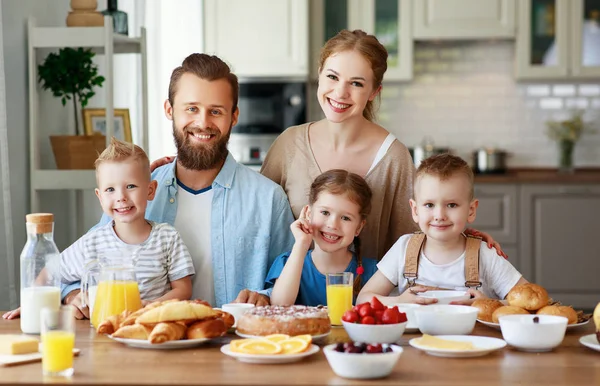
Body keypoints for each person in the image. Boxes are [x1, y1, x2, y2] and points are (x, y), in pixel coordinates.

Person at [60, 53, 296, 310]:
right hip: (149, 342)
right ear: (169, 110)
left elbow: (293, 280)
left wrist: (265, 296)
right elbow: (81, 263)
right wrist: (73, 295)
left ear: (234, 116)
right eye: (191, 108)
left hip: (235, 344)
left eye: (215, 111)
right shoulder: (134, 194)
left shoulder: (268, 199)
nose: (203, 122)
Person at [259, 29, 504, 261]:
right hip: (290, 302)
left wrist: (463, 241)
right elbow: (258, 223)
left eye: (356, 83)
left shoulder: (393, 157)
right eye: (332, 77)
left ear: (375, 91)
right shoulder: (288, 144)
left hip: (368, 301)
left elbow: (418, 235)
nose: (341, 92)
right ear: (320, 73)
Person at [3, 138, 196, 320]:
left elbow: (183, 289)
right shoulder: (93, 242)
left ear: (150, 190)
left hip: (150, 327)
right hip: (102, 330)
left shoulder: (167, 237)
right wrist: (34, 304)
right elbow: (48, 274)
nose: (121, 197)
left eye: (130, 186)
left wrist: (151, 307)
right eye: (110, 190)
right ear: (100, 196)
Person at [357, 154, 527, 306]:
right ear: (415, 210)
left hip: (472, 340)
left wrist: (488, 304)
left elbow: (528, 300)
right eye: (429, 205)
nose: (439, 215)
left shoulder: (485, 254)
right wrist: (398, 301)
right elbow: (363, 299)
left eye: (451, 205)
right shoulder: (404, 248)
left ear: (471, 210)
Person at [267, 170, 378, 306]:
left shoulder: (375, 272)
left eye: (345, 218)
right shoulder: (287, 262)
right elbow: (279, 305)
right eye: (325, 212)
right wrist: (301, 244)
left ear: (359, 227)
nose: (332, 225)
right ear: (308, 213)